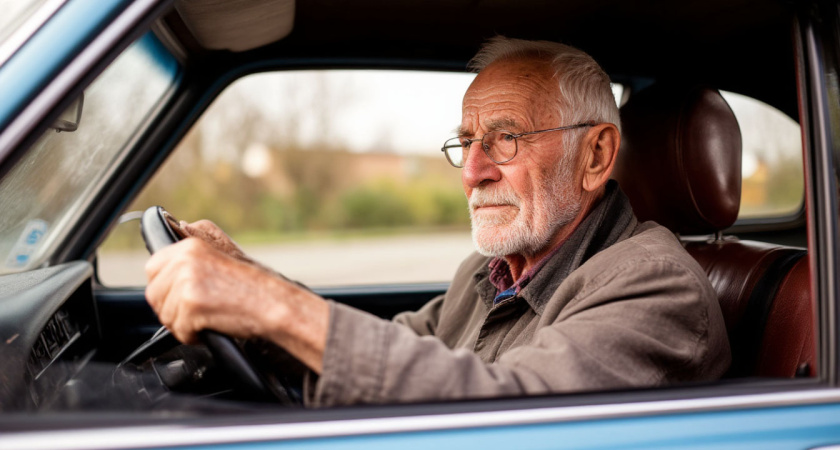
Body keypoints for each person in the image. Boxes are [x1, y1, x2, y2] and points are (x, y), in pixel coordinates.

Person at [145, 37, 730, 407]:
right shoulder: (491, 271)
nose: (472, 172)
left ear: (596, 156)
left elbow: (519, 416)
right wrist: (251, 280)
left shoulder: (657, 284)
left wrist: (271, 306)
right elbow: (397, 350)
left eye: (506, 138)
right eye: (466, 142)